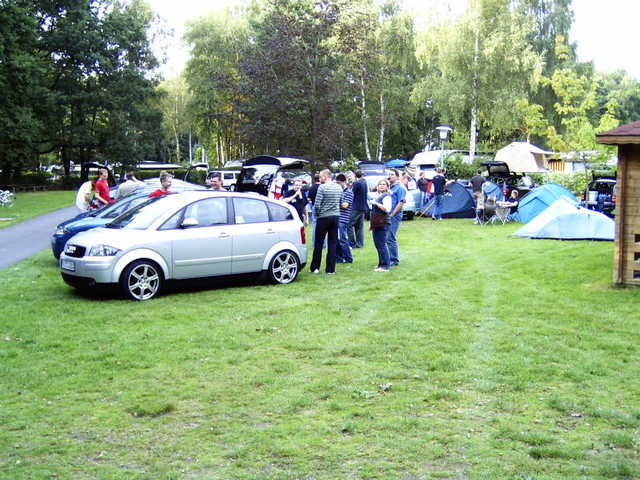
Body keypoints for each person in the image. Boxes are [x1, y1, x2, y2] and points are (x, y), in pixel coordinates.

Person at [309, 169, 342, 275]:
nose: (319, 178)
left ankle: (315, 267)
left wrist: (318, 214)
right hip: (335, 217)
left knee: (318, 243)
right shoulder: (338, 187)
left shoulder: (322, 187)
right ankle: (330, 269)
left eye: (321, 176)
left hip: (323, 217)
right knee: (332, 244)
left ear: (326, 176)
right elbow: (341, 202)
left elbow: (317, 204)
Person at [370, 179, 392, 272]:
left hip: (383, 221)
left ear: (387, 186)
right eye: (380, 184)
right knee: (377, 244)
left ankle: (385, 265)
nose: (381, 186)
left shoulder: (387, 196)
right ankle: (381, 264)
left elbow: (387, 209)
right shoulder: (379, 196)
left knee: (382, 244)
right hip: (376, 221)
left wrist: (376, 203)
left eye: (384, 184)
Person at [385, 168, 406, 267]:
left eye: (392, 174)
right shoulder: (390, 188)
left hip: (394, 215)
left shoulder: (400, 188)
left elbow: (401, 202)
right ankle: (388, 258)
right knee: (386, 237)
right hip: (387, 215)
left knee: (390, 237)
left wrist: (392, 214)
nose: (390, 176)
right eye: (389, 174)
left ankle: (394, 259)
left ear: (397, 176)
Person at [335, 173, 353, 264]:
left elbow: (345, 205)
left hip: (343, 219)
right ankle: (338, 258)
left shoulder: (348, 192)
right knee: (336, 239)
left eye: (338, 183)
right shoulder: (341, 192)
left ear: (342, 182)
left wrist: (335, 201)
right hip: (337, 218)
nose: (337, 185)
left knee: (342, 239)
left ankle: (348, 258)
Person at [348, 169, 368, 249]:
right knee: (359, 227)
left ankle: (352, 244)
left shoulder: (357, 183)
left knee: (348, 225)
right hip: (363, 206)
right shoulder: (364, 182)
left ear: (355, 175)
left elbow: (351, 193)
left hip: (356, 207)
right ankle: (360, 244)